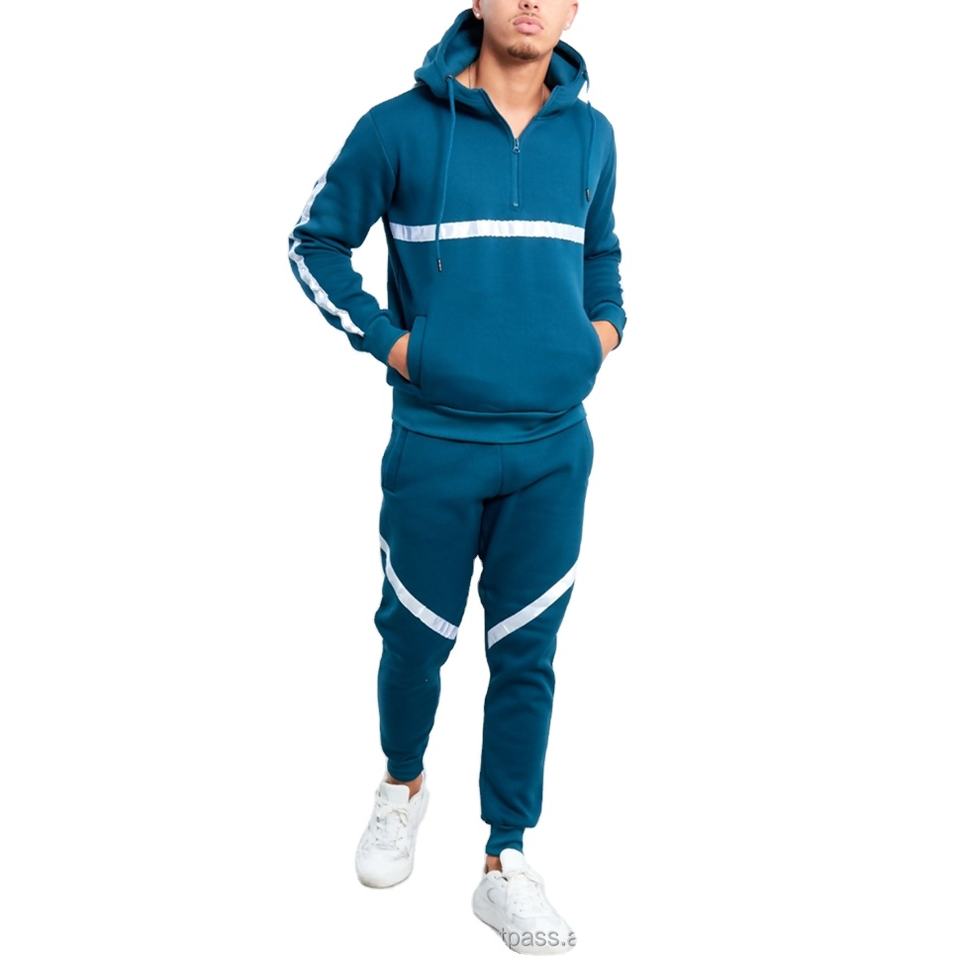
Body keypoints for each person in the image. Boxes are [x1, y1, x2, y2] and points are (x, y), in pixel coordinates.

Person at [287, 2, 625, 952]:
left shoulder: (593, 134)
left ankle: (505, 859)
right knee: (412, 638)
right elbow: (313, 242)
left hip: (554, 449)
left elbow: (602, 252)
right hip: (435, 443)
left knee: (527, 653)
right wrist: (396, 344)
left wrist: (601, 333)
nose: (531, 3)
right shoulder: (396, 126)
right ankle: (402, 784)